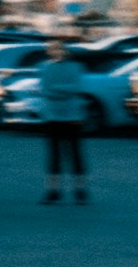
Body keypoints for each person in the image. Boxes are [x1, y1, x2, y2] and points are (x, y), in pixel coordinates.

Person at [31, 32, 97, 203]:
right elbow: (59, 89)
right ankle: (63, 191)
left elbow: (65, 88)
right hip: (63, 115)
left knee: (72, 154)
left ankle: (73, 191)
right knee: (59, 155)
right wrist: (65, 90)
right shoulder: (48, 67)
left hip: (61, 115)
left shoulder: (69, 67)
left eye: (58, 48)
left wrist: (56, 90)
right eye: (52, 48)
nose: (56, 51)